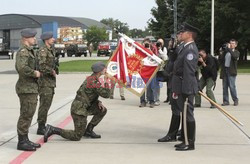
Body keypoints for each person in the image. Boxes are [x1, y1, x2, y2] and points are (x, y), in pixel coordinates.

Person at [44, 62, 110, 142]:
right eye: (104, 68)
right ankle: (53, 129)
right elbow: (106, 94)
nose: (106, 70)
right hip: (79, 110)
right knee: (77, 136)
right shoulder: (93, 81)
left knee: (102, 110)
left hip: (84, 106)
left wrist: (98, 101)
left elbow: (88, 94)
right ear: (100, 71)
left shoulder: (92, 79)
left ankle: (88, 131)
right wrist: (106, 82)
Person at [171, 22, 199, 151]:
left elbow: (189, 71)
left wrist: (187, 90)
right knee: (184, 113)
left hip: (186, 86)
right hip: (181, 85)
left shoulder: (191, 49)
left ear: (189, 34)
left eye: (183, 32)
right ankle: (185, 139)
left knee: (188, 114)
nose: (180, 34)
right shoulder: (184, 47)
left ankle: (190, 143)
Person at [15, 28, 41, 151]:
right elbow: (21, 68)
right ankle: (21, 142)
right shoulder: (23, 52)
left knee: (29, 114)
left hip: (30, 88)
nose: (34, 39)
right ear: (26, 38)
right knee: (26, 115)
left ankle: (25, 139)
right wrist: (34, 73)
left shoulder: (29, 51)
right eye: (32, 37)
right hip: (26, 88)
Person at [158, 30, 184, 143]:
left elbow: (176, 67)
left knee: (177, 109)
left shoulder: (182, 49)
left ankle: (172, 134)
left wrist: (167, 73)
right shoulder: (177, 50)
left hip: (179, 84)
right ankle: (181, 131)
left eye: (174, 39)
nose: (171, 42)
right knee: (177, 109)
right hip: (174, 82)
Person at [36, 32, 57, 135]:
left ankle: (42, 124)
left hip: (50, 82)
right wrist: (51, 71)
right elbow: (41, 66)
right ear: (46, 39)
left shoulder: (51, 50)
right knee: (44, 105)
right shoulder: (43, 50)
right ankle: (41, 127)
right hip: (44, 82)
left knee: (47, 104)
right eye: (51, 38)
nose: (53, 39)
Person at [219, 39, 240, 106]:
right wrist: (222, 51)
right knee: (225, 87)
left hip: (231, 71)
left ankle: (235, 100)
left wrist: (229, 49)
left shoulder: (236, 52)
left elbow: (234, 57)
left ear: (236, 45)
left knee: (232, 86)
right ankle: (226, 101)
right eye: (230, 43)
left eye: (233, 43)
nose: (231, 44)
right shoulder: (226, 52)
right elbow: (220, 60)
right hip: (225, 71)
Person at [139, 38, 157, 108]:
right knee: (142, 87)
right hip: (142, 71)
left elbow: (156, 58)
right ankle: (142, 101)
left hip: (151, 71)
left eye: (147, 44)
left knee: (151, 87)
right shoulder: (140, 50)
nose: (146, 45)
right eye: (145, 44)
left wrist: (149, 50)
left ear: (150, 44)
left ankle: (151, 101)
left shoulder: (153, 49)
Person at [155, 38, 168, 106]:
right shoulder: (154, 47)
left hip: (160, 70)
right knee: (153, 85)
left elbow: (165, 57)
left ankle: (157, 99)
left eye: (161, 43)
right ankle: (152, 98)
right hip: (153, 69)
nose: (159, 44)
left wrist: (159, 49)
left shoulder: (164, 49)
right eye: (158, 42)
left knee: (157, 85)